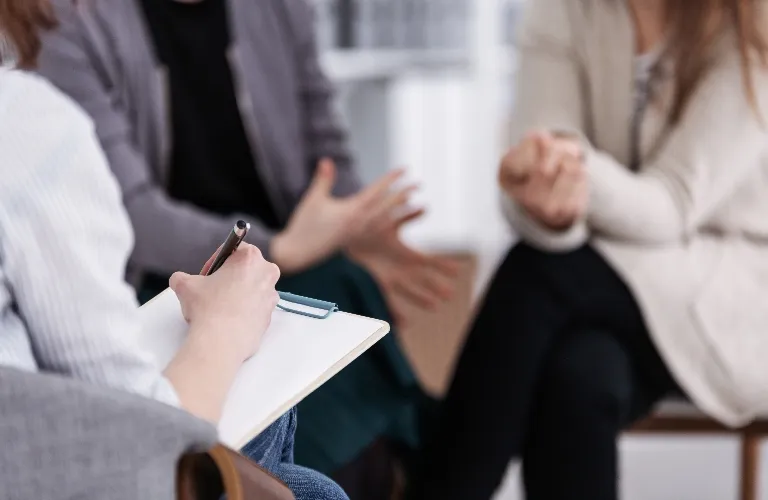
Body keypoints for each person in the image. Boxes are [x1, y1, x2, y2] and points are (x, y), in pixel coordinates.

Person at [36, 0, 457, 494]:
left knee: (345, 292)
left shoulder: (279, 8)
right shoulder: (70, 24)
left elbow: (326, 151)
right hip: (166, 280)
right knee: (323, 341)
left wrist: (351, 227)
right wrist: (286, 246)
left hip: (285, 265)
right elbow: (127, 209)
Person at [410, 0, 768, 499]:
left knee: (535, 276)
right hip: (602, 287)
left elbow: (673, 202)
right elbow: (536, 170)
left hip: (733, 289)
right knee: (579, 375)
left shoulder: (751, 23)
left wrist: (570, 171)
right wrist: (544, 198)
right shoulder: (560, 12)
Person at [0, 3, 345, 498]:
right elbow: (143, 453)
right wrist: (227, 323)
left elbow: (328, 146)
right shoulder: (25, 119)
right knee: (310, 489)